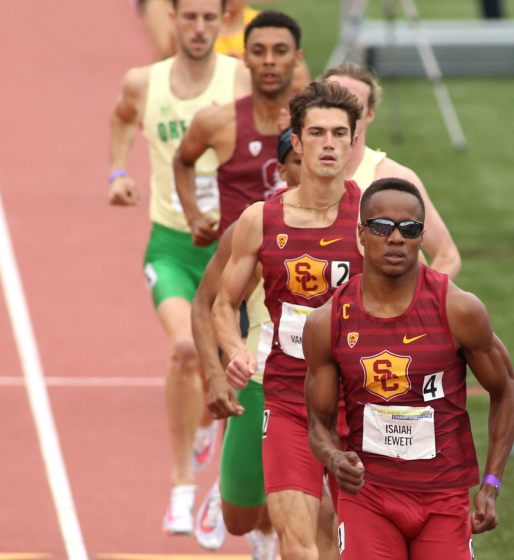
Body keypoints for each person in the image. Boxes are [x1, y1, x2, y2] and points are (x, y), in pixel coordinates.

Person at [303, 178, 514, 559]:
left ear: (421, 238)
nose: (396, 238)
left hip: (444, 499)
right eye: (382, 227)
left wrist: (491, 482)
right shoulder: (328, 322)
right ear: (361, 233)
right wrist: (335, 459)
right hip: (367, 496)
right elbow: (318, 423)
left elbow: (506, 389)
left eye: (410, 229)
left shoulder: (459, 310)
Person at [108, 0, 251, 535]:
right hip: (171, 246)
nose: (197, 28)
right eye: (187, 17)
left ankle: (212, 438)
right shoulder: (144, 83)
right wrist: (117, 172)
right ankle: (180, 486)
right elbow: (121, 118)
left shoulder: (242, 81)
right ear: (171, 18)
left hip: (234, 253)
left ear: (222, 21)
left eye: (207, 18)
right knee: (186, 349)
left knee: (239, 374)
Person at [214, 81, 365, 560]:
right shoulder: (261, 219)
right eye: (316, 132)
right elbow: (223, 305)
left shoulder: (375, 219)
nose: (327, 143)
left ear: (352, 141)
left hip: (359, 407)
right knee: (297, 549)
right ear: (296, 142)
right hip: (287, 400)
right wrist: (236, 351)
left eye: (338, 133)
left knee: (356, 547)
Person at [190, 130, 337, 560]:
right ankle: (235, 496)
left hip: (334, 389)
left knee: (325, 515)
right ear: (283, 170)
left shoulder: (356, 223)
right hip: (261, 384)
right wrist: (218, 375)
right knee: (240, 518)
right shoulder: (254, 225)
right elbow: (205, 306)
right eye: (295, 162)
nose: (306, 170)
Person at [174, 10, 302, 249]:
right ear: (244, 58)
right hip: (236, 263)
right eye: (258, 51)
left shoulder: (317, 124)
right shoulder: (217, 121)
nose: (269, 60)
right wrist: (194, 218)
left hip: (297, 263)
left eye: (281, 51)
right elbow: (182, 160)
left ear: (297, 57)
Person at [322, 63, 461, 279]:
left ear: (370, 114)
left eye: (352, 104)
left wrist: (415, 304)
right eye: (332, 102)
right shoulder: (292, 172)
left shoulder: (394, 178)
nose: (341, 112)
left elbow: (447, 255)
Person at [215, 1, 311, 94]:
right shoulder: (202, 29)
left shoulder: (266, 26)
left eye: (258, 52)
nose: (269, 60)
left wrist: (247, 72)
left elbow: (301, 85)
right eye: (258, 52)